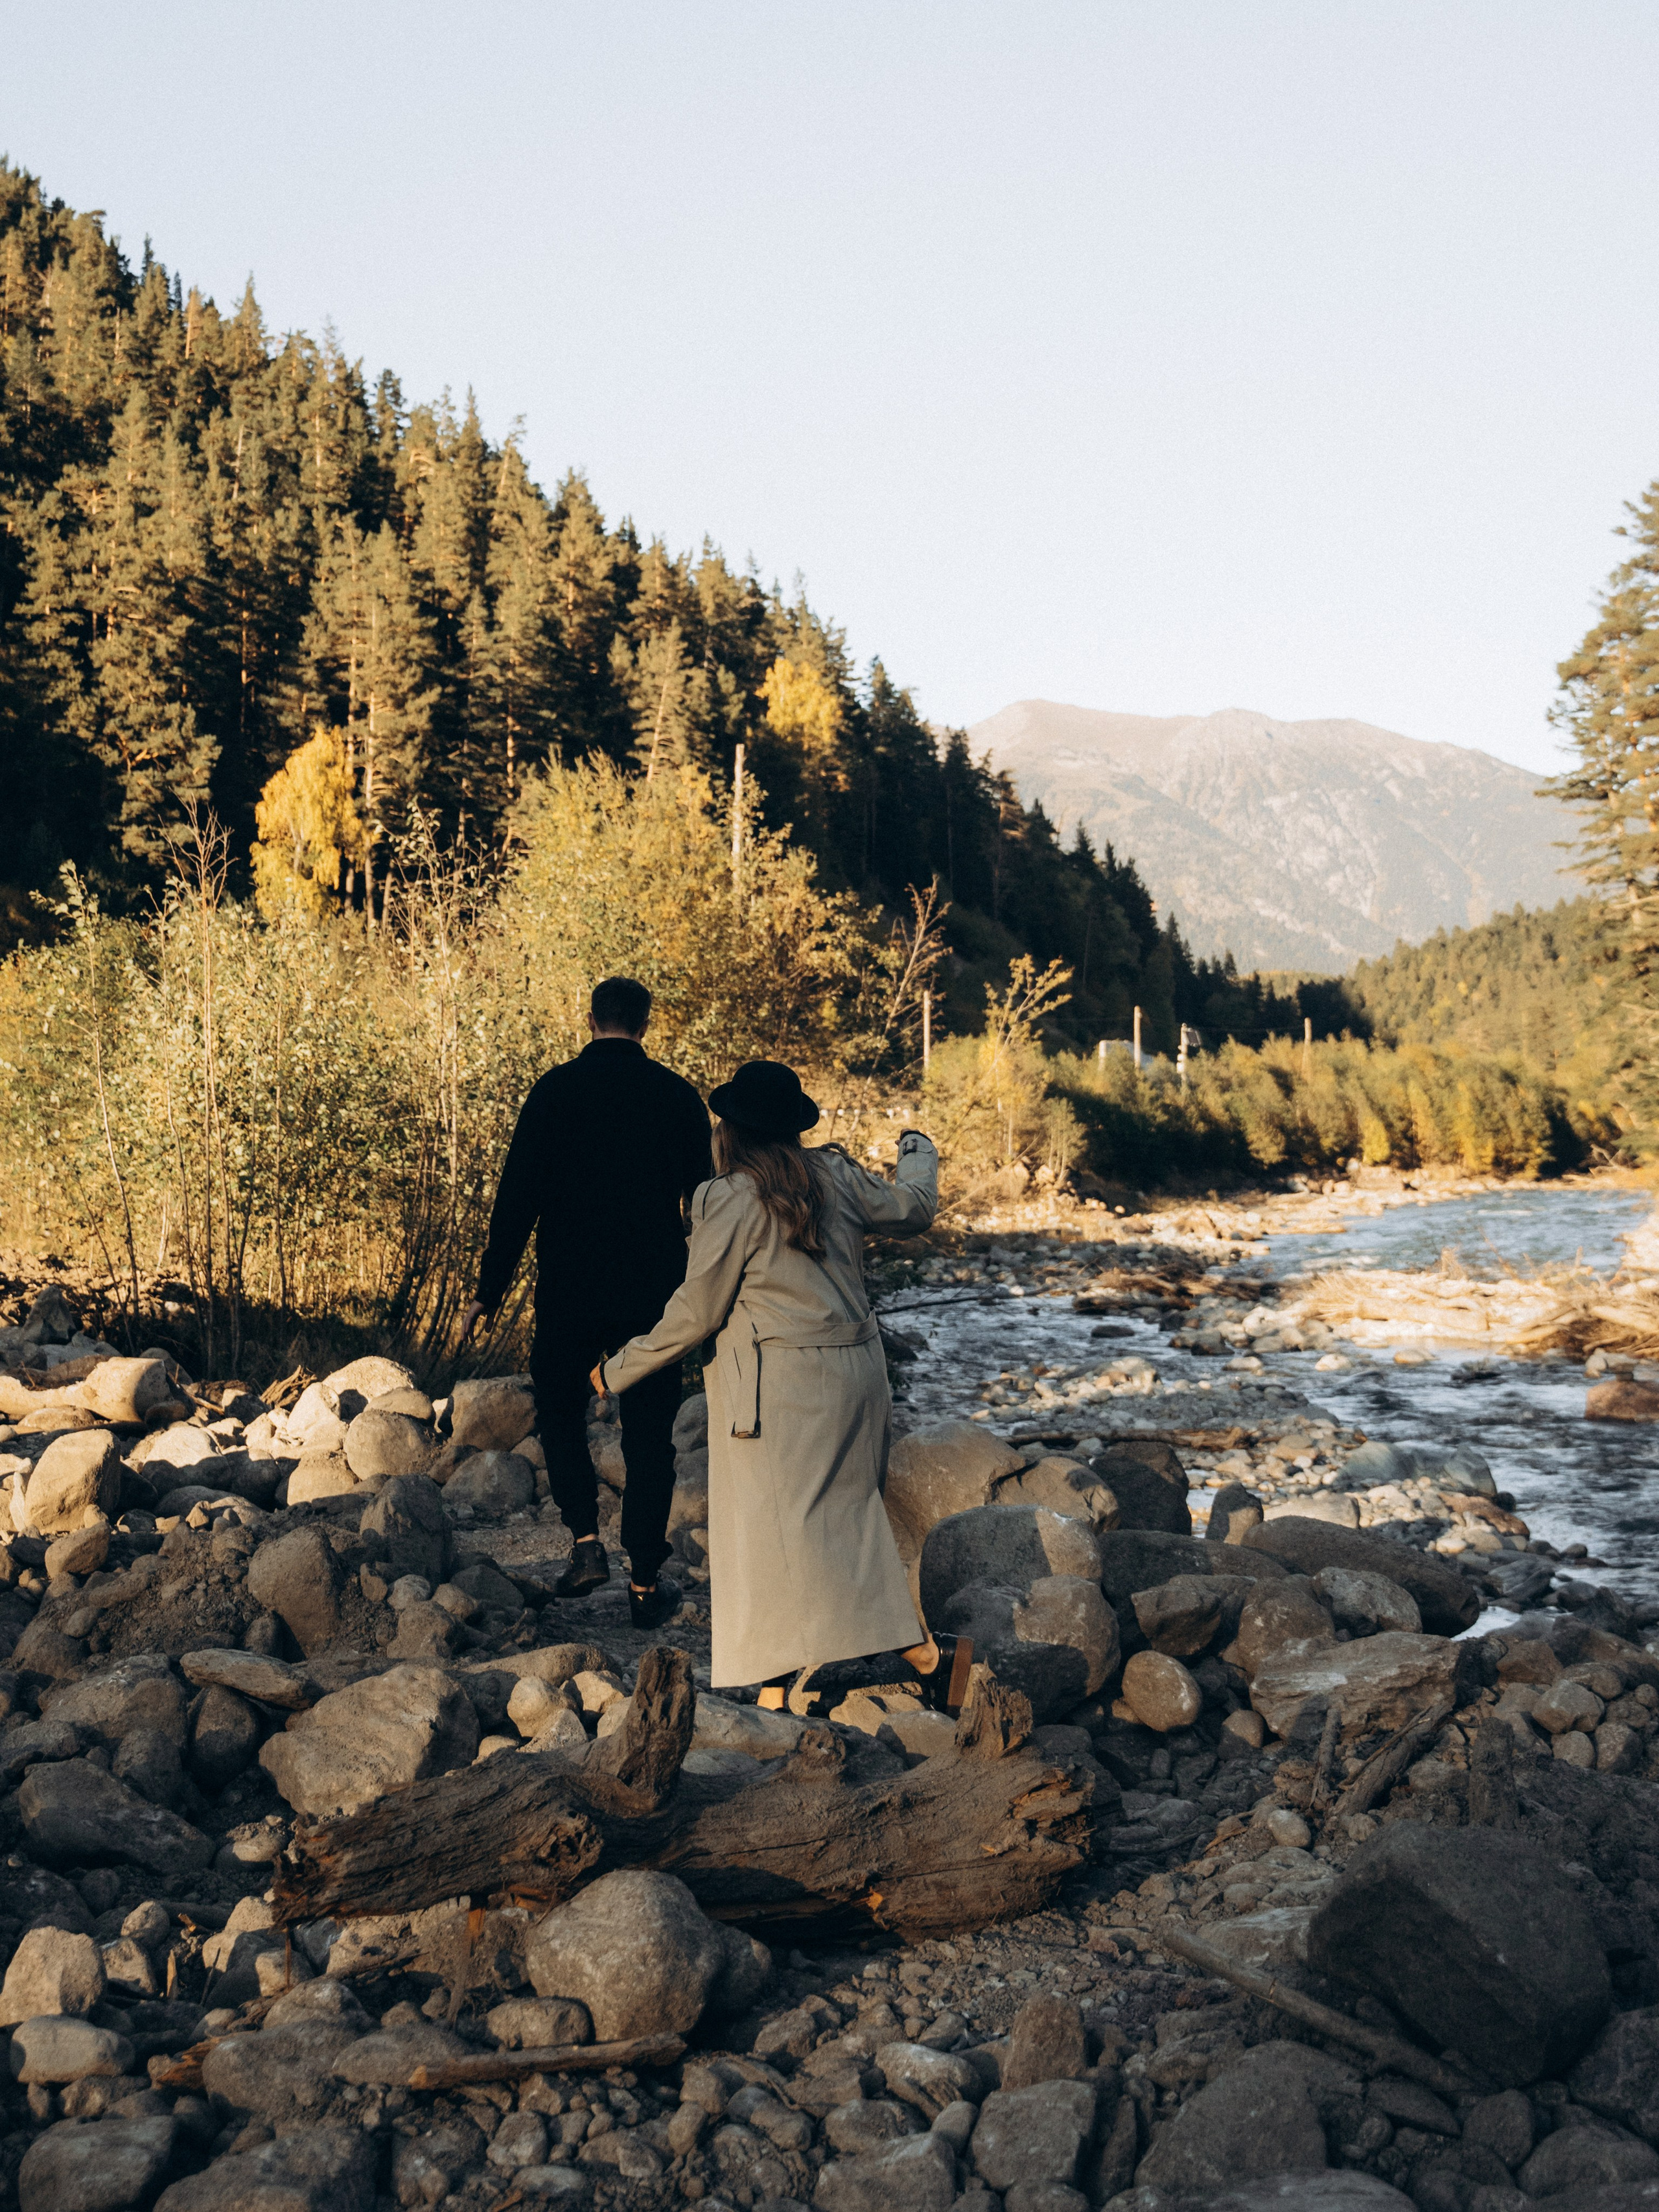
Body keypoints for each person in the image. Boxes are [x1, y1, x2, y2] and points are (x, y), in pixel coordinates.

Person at [593, 1058, 971, 1713]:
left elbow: (697, 1311)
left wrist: (616, 1368)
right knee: (843, 1526)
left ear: (728, 1129)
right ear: (792, 1127)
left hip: (781, 1395)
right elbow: (915, 1207)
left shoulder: (727, 1198)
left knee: (771, 1544)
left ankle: (925, 1656)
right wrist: (919, 1150)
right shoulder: (835, 1175)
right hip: (858, 1376)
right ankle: (780, 1688)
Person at [459, 976, 712, 1629]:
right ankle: (646, 1581)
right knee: (651, 1436)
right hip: (654, 1291)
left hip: (569, 1286)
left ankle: (583, 1543)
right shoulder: (677, 1096)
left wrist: (487, 1289)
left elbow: (517, 1198)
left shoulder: (554, 1090)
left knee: (562, 1413)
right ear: (646, 1024)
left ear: (591, 1017)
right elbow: (709, 1206)